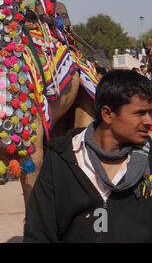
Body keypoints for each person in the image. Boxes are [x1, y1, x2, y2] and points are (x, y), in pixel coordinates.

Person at [24, 70, 152, 242]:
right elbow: (39, 233)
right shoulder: (60, 160)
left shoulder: (148, 161)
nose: (149, 121)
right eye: (140, 113)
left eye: (150, 113)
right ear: (107, 114)